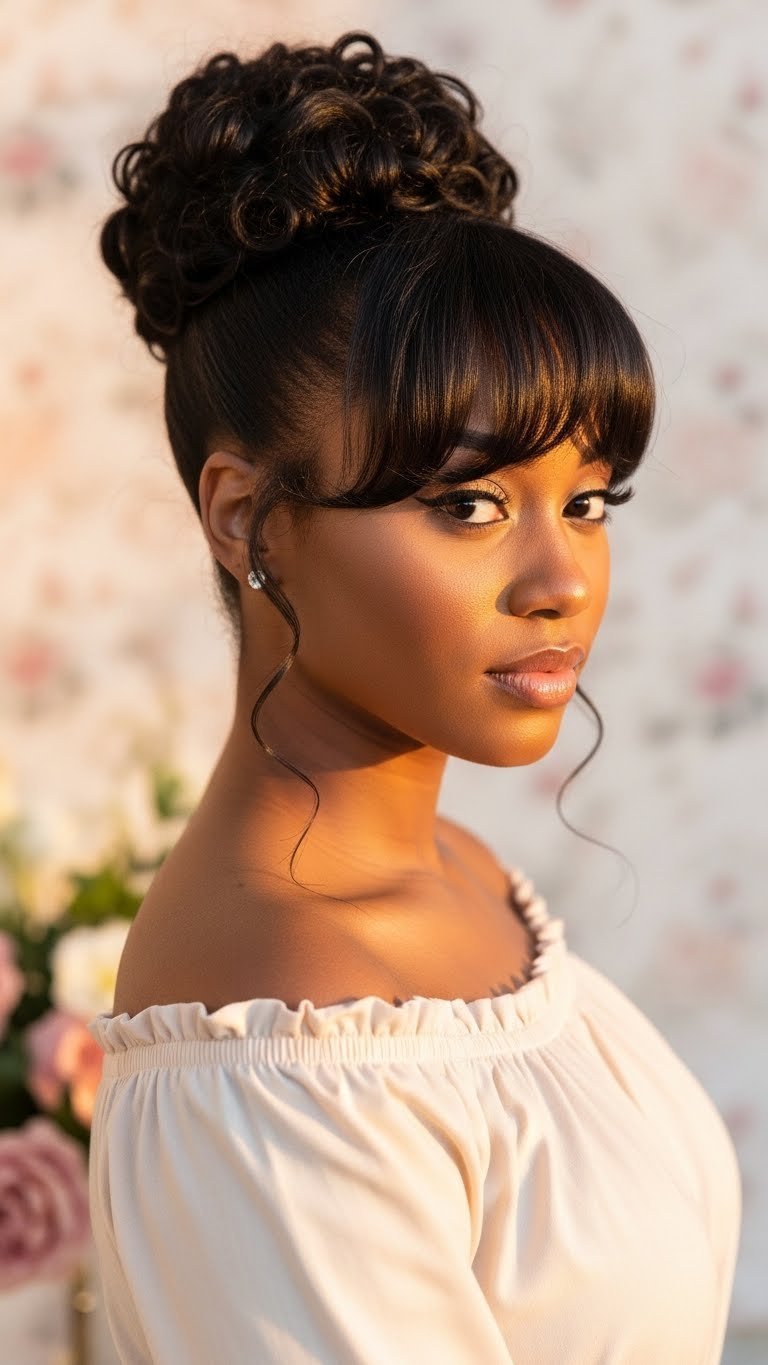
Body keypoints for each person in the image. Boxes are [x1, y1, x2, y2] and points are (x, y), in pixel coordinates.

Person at [86, 30, 741, 1364]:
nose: (562, 577)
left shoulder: (455, 870)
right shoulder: (280, 1030)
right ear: (243, 517)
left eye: (589, 498)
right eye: (470, 504)